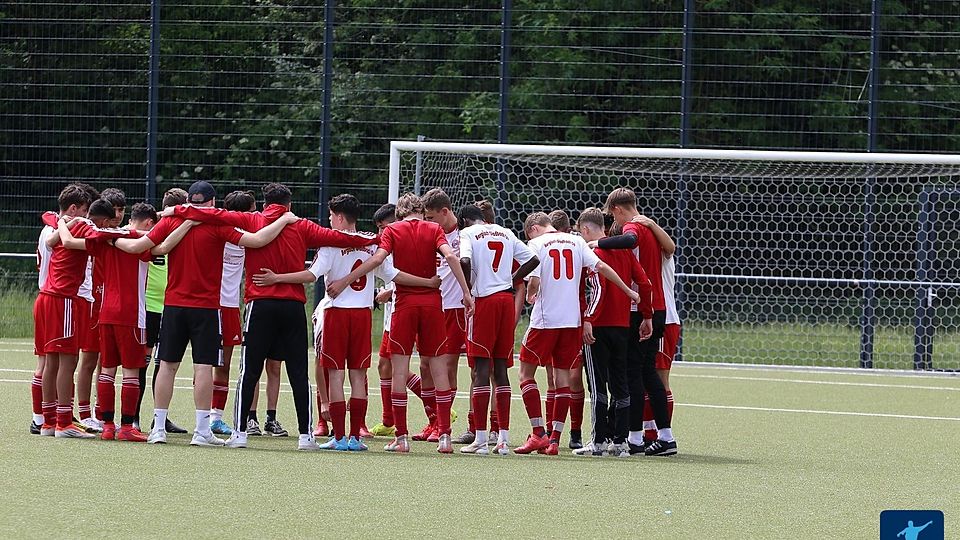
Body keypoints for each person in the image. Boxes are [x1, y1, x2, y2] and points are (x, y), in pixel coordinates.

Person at [165, 182, 380, 451]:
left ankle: (241, 433)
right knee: (299, 372)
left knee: (249, 370)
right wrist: (375, 239)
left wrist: (175, 210)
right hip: (292, 306)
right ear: (289, 204)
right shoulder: (301, 225)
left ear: (266, 204)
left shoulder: (252, 219)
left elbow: (212, 214)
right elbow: (340, 237)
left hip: (260, 304)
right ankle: (306, 437)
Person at [115, 181, 297, 447]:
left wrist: (107, 238)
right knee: (203, 367)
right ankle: (201, 430)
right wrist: (284, 220)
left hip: (174, 305)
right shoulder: (216, 225)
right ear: (212, 203)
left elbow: (139, 246)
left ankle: (158, 428)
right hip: (207, 307)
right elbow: (258, 239)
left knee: (167, 365)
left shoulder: (173, 221)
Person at [253, 194, 439, 451]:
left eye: (330, 216)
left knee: (336, 376)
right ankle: (355, 437)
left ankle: (339, 437)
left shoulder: (330, 245)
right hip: (363, 315)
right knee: (358, 375)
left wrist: (277, 278)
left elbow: (311, 275)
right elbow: (393, 275)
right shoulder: (370, 243)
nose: (329, 220)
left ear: (339, 217)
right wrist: (428, 282)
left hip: (337, 314)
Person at [326, 192, 474, 454]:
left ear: (401, 213)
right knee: (438, 368)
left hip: (404, 306)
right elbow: (451, 257)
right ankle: (445, 437)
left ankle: (402, 437)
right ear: (420, 210)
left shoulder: (393, 230)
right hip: (432, 305)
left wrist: (345, 280)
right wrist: (466, 292)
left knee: (399, 369)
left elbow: (376, 260)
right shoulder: (433, 228)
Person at [59, 203, 190, 442]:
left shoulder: (105, 237)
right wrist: (188, 222)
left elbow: (68, 242)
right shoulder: (140, 242)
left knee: (107, 368)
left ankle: (107, 425)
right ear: (149, 222)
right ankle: (127, 427)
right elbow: (165, 246)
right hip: (132, 314)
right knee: (131, 370)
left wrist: (59, 222)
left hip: (106, 312)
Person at [514, 212, 640, 456]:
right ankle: (554, 441)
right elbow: (602, 267)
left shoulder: (536, 243)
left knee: (525, 374)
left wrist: (531, 294)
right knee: (563, 380)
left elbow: (535, 281)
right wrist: (627, 291)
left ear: (534, 229)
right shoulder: (577, 241)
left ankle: (538, 433)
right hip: (572, 321)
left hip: (545, 320)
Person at [598, 187, 676, 456]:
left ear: (617, 210)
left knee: (632, 372)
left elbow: (629, 240)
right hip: (657, 307)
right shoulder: (651, 230)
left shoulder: (634, 227)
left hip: (642, 309)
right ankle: (665, 436)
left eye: (612, 216)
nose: (614, 223)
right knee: (646, 371)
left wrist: (596, 244)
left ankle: (635, 437)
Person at [456, 204, 538, 455]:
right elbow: (533, 260)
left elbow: (465, 259)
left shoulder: (468, 234)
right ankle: (502, 438)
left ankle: (480, 438)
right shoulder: (505, 231)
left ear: (465, 221)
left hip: (485, 301)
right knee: (501, 368)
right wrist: (512, 278)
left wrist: (468, 289)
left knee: (480, 368)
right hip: (505, 300)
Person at [575, 208, 653, 457]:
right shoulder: (626, 252)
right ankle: (619, 442)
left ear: (585, 230)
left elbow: (599, 289)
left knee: (597, 385)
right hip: (622, 326)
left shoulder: (593, 253)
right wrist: (647, 315)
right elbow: (645, 283)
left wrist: (588, 319)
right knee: (621, 384)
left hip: (597, 327)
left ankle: (597, 442)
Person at [366, 203, 433, 438]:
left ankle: (436, 411)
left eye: (383, 227)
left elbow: (410, 273)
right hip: (393, 313)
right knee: (385, 365)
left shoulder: (406, 239)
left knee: (399, 367)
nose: (381, 233)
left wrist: (390, 291)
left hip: (405, 311)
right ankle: (389, 420)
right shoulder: (390, 241)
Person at [35, 184, 96, 438]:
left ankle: (48, 421)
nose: (89, 216)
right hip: (64, 300)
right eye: (86, 210)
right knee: (67, 362)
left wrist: (62, 221)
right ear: (75, 209)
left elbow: (51, 240)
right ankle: (63, 422)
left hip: (45, 298)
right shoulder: (83, 228)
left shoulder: (53, 226)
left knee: (50, 362)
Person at [136, 188, 188, 434]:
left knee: (162, 365)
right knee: (145, 364)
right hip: (151, 306)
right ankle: (132, 417)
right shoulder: (162, 228)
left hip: (166, 306)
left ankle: (159, 418)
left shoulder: (174, 228)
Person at [421, 188, 468, 443]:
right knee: (424, 365)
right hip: (433, 308)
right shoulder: (431, 235)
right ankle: (433, 421)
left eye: (431, 216)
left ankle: (443, 423)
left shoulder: (463, 237)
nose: (428, 222)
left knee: (447, 366)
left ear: (445, 212)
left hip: (454, 308)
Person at [632, 215, 682, 447]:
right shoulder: (645, 253)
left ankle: (663, 434)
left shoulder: (661, 253)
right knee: (644, 375)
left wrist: (651, 224)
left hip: (665, 319)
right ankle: (651, 431)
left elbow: (671, 246)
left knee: (659, 378)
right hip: (655, 316)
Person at [548, 208, 586, 448]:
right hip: (566, 317)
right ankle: (562, 432)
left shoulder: (578, 245)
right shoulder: (579, 244)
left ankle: (570, 432)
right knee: (563, 377)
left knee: (565, 377)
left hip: (565, 317)